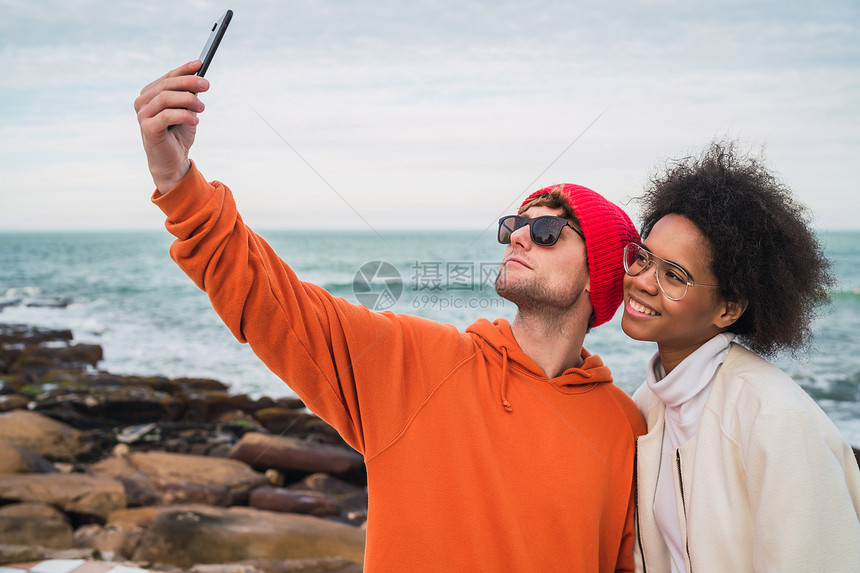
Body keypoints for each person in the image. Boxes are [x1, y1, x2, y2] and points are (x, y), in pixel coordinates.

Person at [134, 60, 646, 572]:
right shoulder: (415, 362)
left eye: (547, 232)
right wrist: (177, 180)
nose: (518, 235)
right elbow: (276, 304)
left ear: (595, 277)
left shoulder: (625, 427)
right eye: (516, 223)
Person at [621, 141, 860, 572]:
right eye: (642, 258)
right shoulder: (646, 406)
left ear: (727, 309)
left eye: (674, 275)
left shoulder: (774, 417)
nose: (641, 281)